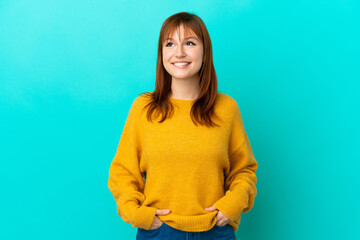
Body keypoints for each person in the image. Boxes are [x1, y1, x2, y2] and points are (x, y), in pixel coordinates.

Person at [108, 12, 258, 240]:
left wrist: (233, 204)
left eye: (189, 43)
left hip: (214, 231)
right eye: (170, 44)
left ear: (205, 52)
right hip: (159, 232)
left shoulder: (226, 108)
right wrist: (137, 214)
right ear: (162, 54)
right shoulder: (144, 109)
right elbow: (122, 173)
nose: (179, 52)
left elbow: (244, 170)